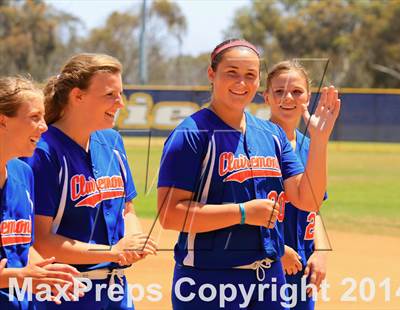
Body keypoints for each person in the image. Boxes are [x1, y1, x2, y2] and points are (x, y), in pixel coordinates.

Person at [157, 39, 340, 309]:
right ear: (212, 74)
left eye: (250, 75)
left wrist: (320, 140)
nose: (241, 82)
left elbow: (308, 201)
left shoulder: (272, 134)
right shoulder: (191, 134)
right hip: (209, 282)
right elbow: (169, 214)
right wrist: (242, 212)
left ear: (257, 84)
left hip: (269, 280)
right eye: (232, 73)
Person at [23, 54, 157, 309]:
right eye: (110, 95)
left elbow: (127, 208)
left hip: (116, 290)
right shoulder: (44, 151)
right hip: (65, 293)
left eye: (120, 94)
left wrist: (134, 241)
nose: (120, 104)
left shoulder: (112, 142)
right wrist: (112, 251)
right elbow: (39, 239)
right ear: (78, 96)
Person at [0, 76, 83, 309]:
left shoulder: (23, 173)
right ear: (3, 121)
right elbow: (18, 274)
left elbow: (23, 249)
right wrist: (20, 277)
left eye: (44, 117)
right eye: (34, 118)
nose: (44, 126)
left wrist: (47, 274)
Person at [265, 60, 330, 309]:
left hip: (301, 267)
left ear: (308, 97)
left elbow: (315, 209)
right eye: (279, 91)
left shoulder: (310, 145)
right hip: (264, 263)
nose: (288, 98)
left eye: (296, 91)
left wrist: (321, 252)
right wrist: (276, 249)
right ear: (266, 97)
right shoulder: (254, 141)